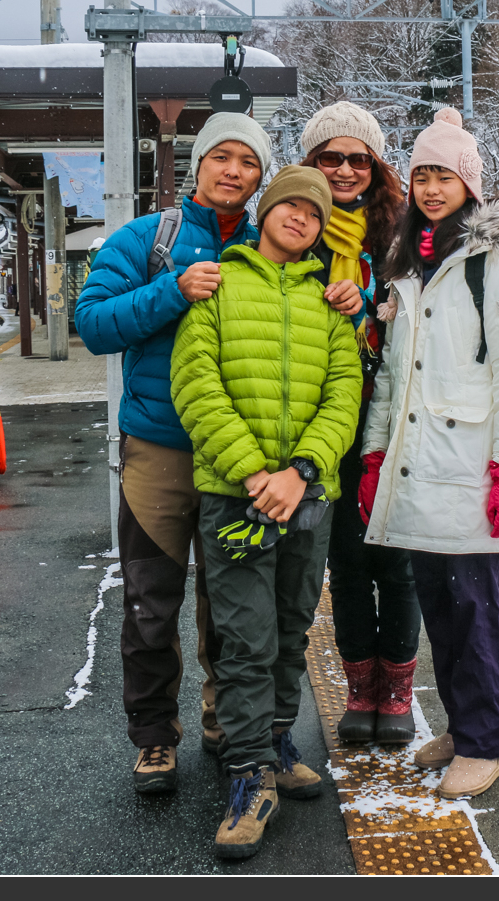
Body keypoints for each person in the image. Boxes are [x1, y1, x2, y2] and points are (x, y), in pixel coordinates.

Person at [75, 113, 363, 795]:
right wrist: (171, 289)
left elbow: (331, 346)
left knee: (231, 608)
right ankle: (153, 736)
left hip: (254, 467)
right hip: (164, 449)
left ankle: (228, 724)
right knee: (152, 598)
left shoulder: (290, 252)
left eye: (248, 163)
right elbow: (92, 322)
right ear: (197, 165)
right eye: (221, 157)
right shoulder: (151, 238)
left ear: (263, 182)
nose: (233, 171)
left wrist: (355, 299)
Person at [171, 165, 362, 859]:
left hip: (308, 496)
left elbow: (344, 392)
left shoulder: (331, 303)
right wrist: (256, 472)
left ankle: (277, 743)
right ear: (267, 212)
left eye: (314, 214)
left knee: (289, 631)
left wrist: (303, 469)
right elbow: (196, 385)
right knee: (245, 638)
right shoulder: (219, 284)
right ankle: (247, 773)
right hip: (235, 495)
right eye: (290, 206)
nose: (302, 219)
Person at [359, 107, 499, 800]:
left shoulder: (497, 262)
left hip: (469, 469)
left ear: (471, 182)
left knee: (475, 609)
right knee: (440, 606)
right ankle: (465, 727)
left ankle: (487, 742)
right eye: (422, 175)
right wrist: (376, 459)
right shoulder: (409, 259)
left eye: (445, 175)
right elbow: (393, 377)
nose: (432, 188)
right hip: (417, 466)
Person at [296, 102, 423, 746]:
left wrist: (383, 306)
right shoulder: (293, 230)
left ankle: (396, 689)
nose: (344, 170)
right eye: (330, 157)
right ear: (311, 165)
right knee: (345, 562)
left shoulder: (406, 234)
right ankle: (360, 686)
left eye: (357, 159)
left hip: (392, 415)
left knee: (396, 558)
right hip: (327, 417)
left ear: (376, 168)